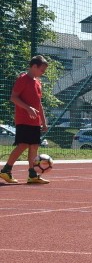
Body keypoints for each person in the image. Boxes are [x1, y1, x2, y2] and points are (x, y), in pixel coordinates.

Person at [1, 55, 50, 185]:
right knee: (23, 145)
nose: (43, 73)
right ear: (34, 66)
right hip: (23, 119)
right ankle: (6, 170)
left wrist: (43, 122)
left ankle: (32, 174)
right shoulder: (23, 79)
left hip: (35, 121)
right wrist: (28, 109)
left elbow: (39, 104)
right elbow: (14, 97)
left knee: (34, 146)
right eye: (42, 70)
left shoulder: (38, 82)